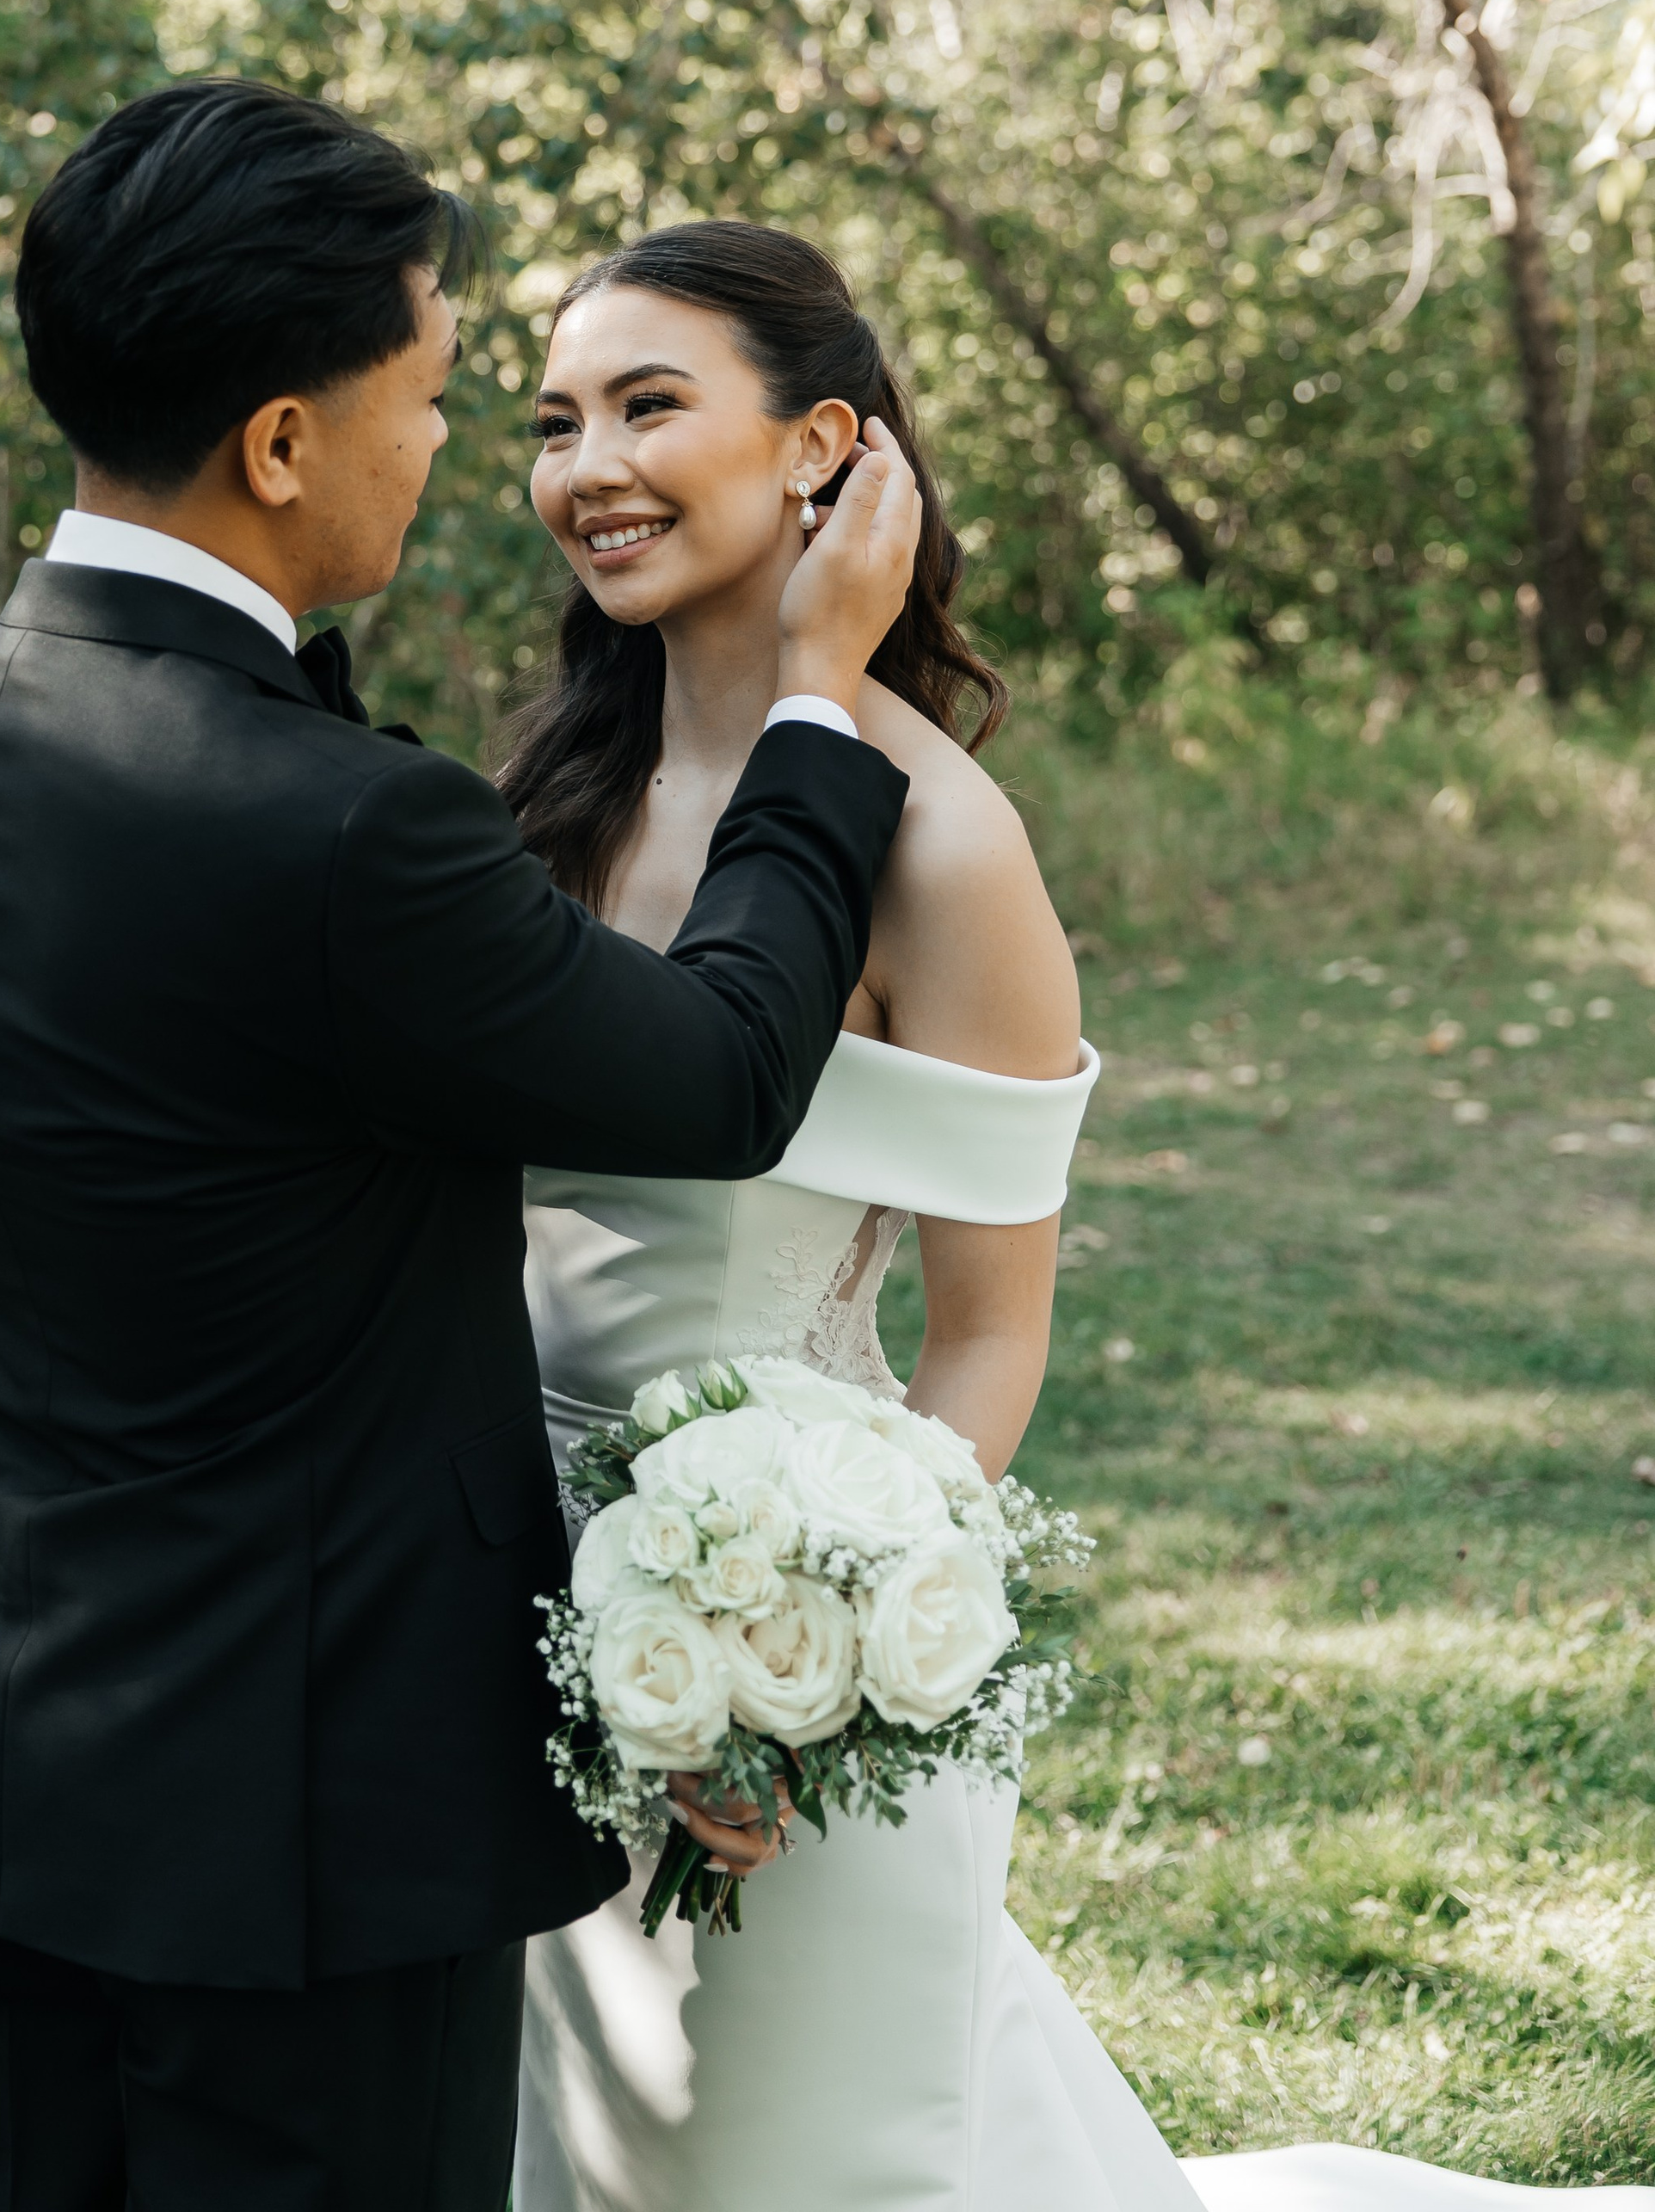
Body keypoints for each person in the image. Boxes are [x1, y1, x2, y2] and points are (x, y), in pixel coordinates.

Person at [0, 83, 924, 2212]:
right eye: (433, 393)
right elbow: (713, 1075)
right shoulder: (335, 825)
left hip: (11, 1758)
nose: (459, 453)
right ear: (282, 441)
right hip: (305, 1828)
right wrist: (814, 696)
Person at [506, 221, 1651, 2212]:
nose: (584, 464)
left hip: (784, 1657)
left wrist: (799, 1665)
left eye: (646, 405)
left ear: (819, 449)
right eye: (550, 420)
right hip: (513, 1623)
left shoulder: (940, 845)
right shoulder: (539, 803)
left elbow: (987, 1331)